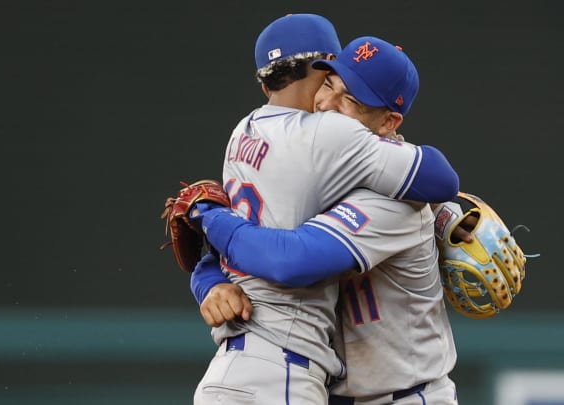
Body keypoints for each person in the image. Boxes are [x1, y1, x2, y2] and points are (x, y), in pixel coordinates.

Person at [188, 13, 459, 405]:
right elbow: (235, 249)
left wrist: (208, 217)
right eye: (329, 83)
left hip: (403, 395)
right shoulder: (314, 165)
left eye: (350, 99)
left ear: (388, 121)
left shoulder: (395, 198)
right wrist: (211, 282)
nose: (328, 104)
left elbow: (292, 258)